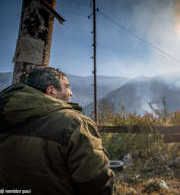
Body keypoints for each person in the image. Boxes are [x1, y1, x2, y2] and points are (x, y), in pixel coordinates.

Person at [0, 67, 115, 195]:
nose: (71, 93)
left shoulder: (5, 115)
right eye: (67, 87)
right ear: (51, 90)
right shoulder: (75, 123)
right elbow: (97, 183)